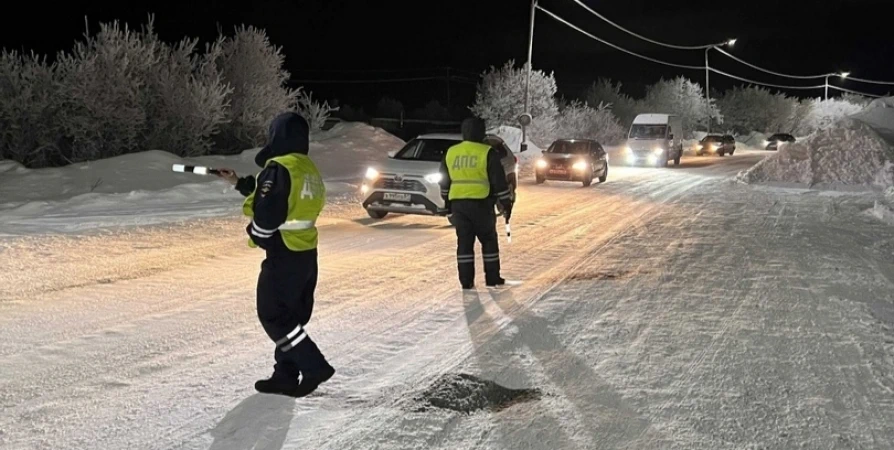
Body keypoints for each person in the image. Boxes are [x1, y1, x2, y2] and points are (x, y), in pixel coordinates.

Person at [216, 112, 334, 398]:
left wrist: (256, 234)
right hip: (306, 252)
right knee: (292, 317)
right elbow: (273, 193)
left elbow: (268, 210)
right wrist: (237, 183)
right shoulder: (307, 168)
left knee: (273, 314)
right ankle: (285, 375)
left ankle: (314, 365)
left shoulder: (279, 166)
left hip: (284, 253)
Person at [439, 117, 513, 290]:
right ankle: (492, 278)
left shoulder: (452, 152)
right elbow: (498, 181)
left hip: (458, 205)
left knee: (464, 243)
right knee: (488, 241)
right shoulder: (487, 153)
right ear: (481, 132)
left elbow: (444, 180)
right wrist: (505, 203)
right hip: (481, 205)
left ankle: (466, 281)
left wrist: (446, 201)